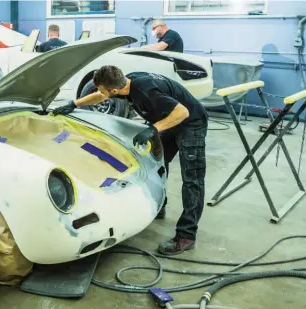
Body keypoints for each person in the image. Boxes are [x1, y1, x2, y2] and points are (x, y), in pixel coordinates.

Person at [52, 65, 208, 255]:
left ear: (115, 90)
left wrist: (153, 129)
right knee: (159, 162)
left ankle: (186, 236)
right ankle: (160, 205)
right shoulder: (126, 82)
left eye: (102, 89)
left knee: (192, 180)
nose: (101, 93)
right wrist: (74, 104)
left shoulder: (146, 91)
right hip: (171, 121)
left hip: (191, 124)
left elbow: (182, 112)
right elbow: (102, 96)